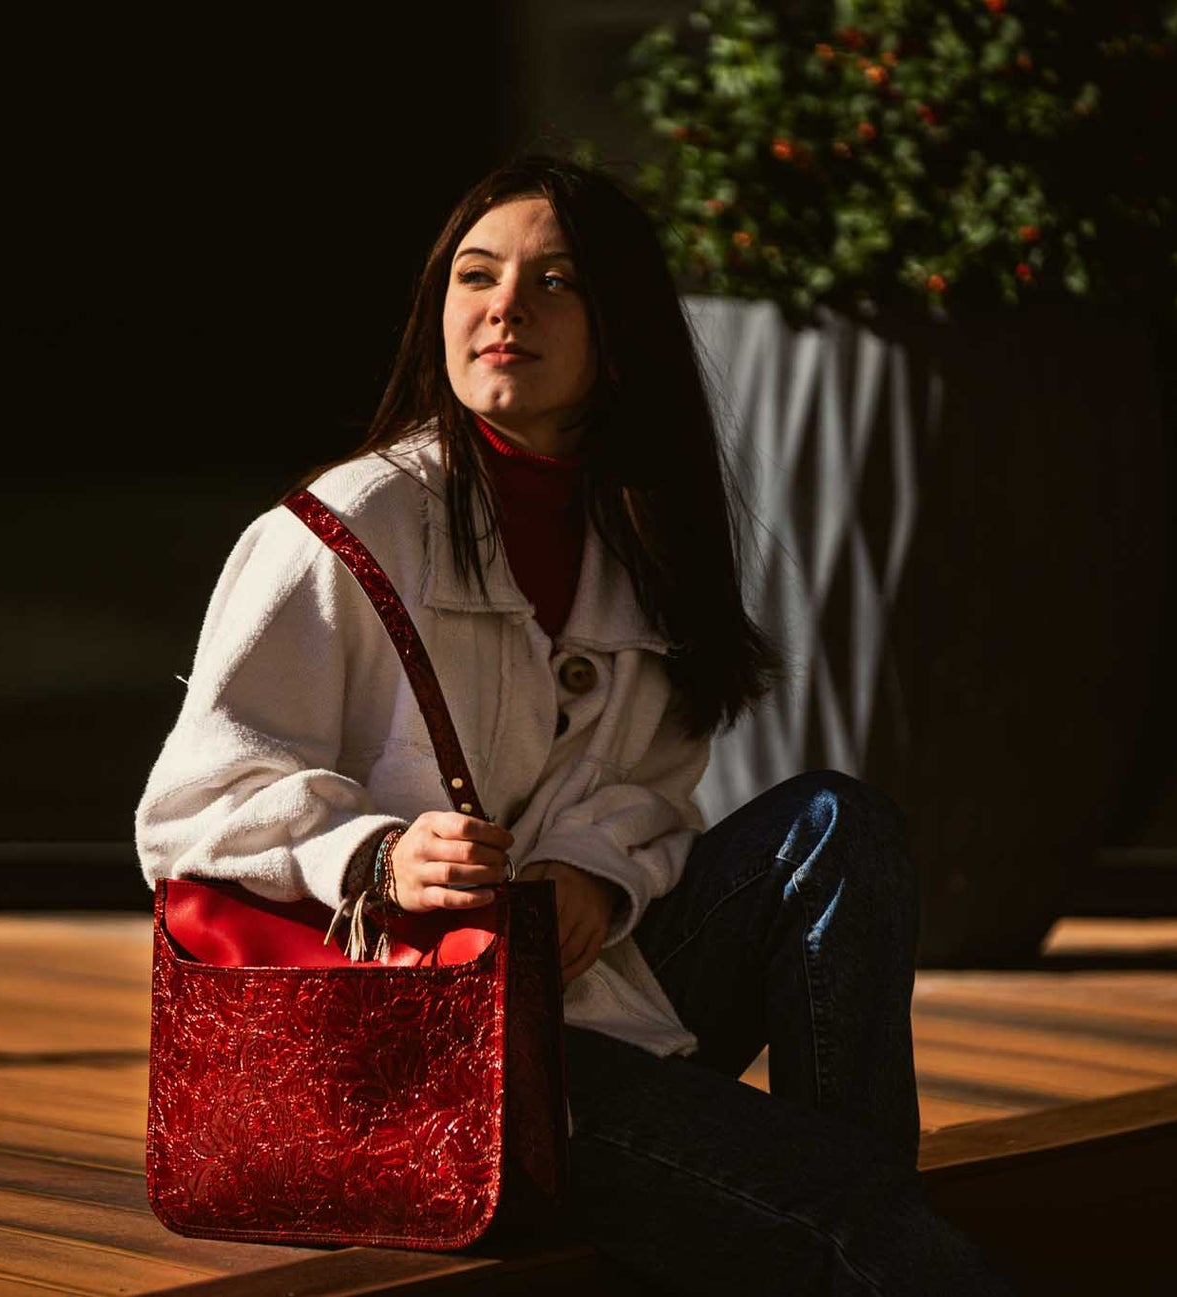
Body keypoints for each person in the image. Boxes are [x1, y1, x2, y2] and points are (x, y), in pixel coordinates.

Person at [136, 156, 1011, 1295]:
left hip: (587, 1000)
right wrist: (374, 853)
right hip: (418, 1052)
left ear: (621, 332)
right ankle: (846, 1206)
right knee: (843, 1211)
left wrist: (595, 871)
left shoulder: (641, 535)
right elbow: (187, 806)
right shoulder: (340, 530)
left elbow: (650, 783)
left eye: (554, 282)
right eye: (475, 275)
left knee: (837, 826)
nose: (505, 307)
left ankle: (837, 1190)